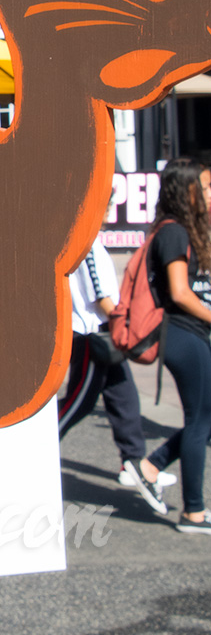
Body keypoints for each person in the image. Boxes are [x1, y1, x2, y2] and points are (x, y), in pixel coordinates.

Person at [58, 235, 174, 514]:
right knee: (79, 402)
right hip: (92, 333)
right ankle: (35, 446)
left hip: (105, 331)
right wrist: (125, 323)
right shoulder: (85, 242)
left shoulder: (93, 240)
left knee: (125, 398)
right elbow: (100, 294)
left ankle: (132, 461)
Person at [143, 157, 211, 531]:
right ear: (186, 191)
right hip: (183, 334)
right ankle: (193, 512)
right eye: (206, 187)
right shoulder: (173, 233)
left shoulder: (184, 229)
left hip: (191, 334)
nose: (210, 193)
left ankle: (151, 465)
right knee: (199, 421)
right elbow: (180, 293)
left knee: (205, 418)